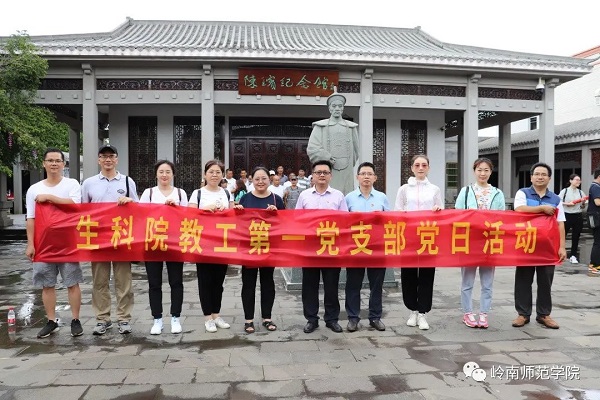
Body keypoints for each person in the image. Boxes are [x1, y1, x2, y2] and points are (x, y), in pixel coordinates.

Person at [25, 148, 84, 338]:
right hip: (43, 244)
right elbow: (31, 218)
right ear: (43, 163)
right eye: (50, 160)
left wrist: (49, 197)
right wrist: (30, 244)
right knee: (47, 284)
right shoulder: (34, 189)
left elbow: (75, 205)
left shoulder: (72, 184)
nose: (54, 164)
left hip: (68, 243)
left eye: (57, 160)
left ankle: (75, 320)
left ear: (63, 164)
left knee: (72, 282)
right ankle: (51, 321)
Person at [81, 144, 138, 335]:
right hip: (98, 239)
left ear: (117, 159)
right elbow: (82, 210)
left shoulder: (127, 181)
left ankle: (124, 318)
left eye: (111, 156)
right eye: (104, 156)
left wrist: (129, 201)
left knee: (124, 281)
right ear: (99, 160)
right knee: (99, 281)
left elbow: (138, 208)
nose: (108, 160)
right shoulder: (89, 183)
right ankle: (102, 319)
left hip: (121, 237)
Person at [296, 160, 348, 333]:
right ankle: (311, 319)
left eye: (325, 172)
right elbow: (297, 219)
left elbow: (345, 221)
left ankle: (332, 319)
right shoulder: (304, 196)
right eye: (318, 172)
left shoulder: (338, 196)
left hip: (331, 248)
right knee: (309, 286)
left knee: (331, 285)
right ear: (313, 175)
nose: (322, 175)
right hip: (310, 249)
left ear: (330, 176)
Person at [512, 162, 566, 329]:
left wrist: (562, 247)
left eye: (544, 174)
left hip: (547, 247)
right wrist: (542, 208)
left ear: (549, 178)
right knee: (523, 280)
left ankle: (544, 314)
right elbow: (519, 209)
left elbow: (560, 223)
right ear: (531, 177)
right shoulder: (523, 193)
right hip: (526, 244)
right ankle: (523, 314)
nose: (540, 177)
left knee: (545, 281)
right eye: (537, 174)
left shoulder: (556, 199)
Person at [454, 158, 506, 329]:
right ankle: (467, 312)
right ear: (474, 171)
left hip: (490, 242)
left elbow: (502, 217)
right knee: (467, 281)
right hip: (469, 242)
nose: (482, 173)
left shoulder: (497, 193)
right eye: (479, 170)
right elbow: (457, 215)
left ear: (491, 172)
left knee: (487, 282)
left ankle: (484, 313)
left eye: (486, 170)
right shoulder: (466, 191)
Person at [394, 154, 443, 330]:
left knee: (426, 275)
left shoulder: (435, 189)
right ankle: (412, 310)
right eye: (417, 165)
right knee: (408, 274)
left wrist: (438, 209)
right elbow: (397, 211)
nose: (420, 168)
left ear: (428, 168)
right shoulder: (404, 189)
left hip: (428, 236)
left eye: (424, 165)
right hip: (408, 237)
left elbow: (441, 211)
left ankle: (423, 313)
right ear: (412, 168)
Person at [139, 160, 188, 335]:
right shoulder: (149, 193)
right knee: (154, 283)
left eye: (168, 171)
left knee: (176, 282)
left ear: (173, 174)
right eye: (161, 172)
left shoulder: (180, 193)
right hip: (153, 243)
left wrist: (176, 209)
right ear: (156, 174)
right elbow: (141, 215)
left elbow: (188, 217)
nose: (164, 175)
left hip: (175, 243)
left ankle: (175, 317)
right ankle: (157, 319)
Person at [233, 166, 284, 333]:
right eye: (257, 179)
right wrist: (237, 212)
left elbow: (285, 223)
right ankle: (248, 320)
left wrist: (276, 214)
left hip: (269, 248)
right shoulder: (245, 198)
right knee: (248, 284)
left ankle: (267, 318)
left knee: (268, 283)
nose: (260, 182)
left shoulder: (277, 199)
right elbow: (238, 224)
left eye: (264, 178)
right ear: (251, 180)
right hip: (249, 248)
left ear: (270, 180)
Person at [188, 160, 233, 333]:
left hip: (222, 244)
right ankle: (208, 317)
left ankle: (216, 314)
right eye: (211, 172)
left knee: (218, 282)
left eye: (218, 172)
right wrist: (205, 209)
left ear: (222, 175)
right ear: (205, 174)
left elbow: (233, 215)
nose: (214, 175)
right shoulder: (198, 193)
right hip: (203, 243)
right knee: (205, 281)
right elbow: (189, 216)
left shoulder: (227, 193)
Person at [344, 162, 390, 332]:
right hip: (355, 247)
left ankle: (375, 317)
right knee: (353, 284)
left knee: (376, 285)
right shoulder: (349, 198)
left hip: (377, 247)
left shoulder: (381, 197)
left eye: (369, 174)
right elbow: (342, 223)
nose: (366, 177)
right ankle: (353, 318)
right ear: (357, 177)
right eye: (363, 173)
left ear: (375, 178)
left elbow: (390, 222)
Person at [307, 90, 359, 195]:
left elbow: (355, 152)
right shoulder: (320, 127)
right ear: (329, 108)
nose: (337, 109)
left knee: (346, 196)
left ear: (343, 108)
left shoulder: (351, 128)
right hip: (327, 170)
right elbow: (312, 149)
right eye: (334, 106)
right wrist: (326, 157)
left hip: (346, 171)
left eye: (340, 106)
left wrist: (346, 162)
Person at [558, 174, 586, 264]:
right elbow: (558, 202)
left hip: (578, 215)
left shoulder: (581, 192)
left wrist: (583, 203)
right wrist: (568, 204)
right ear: (571, 181)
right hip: (567, 215)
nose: (578, 182)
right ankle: (559, 253)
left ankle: (573, 255)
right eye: (576, 180)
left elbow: (583, 206)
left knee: (576, 236)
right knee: (563, 235)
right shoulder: (565, 191)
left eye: (579, 180)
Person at [588, 170, 600, 275]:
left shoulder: (594, 186)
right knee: (598, 242)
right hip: (597, 218)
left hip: (595, 217)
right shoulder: (596, 187)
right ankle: (595, 266)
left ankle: (594, 265)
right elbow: (597, 202)